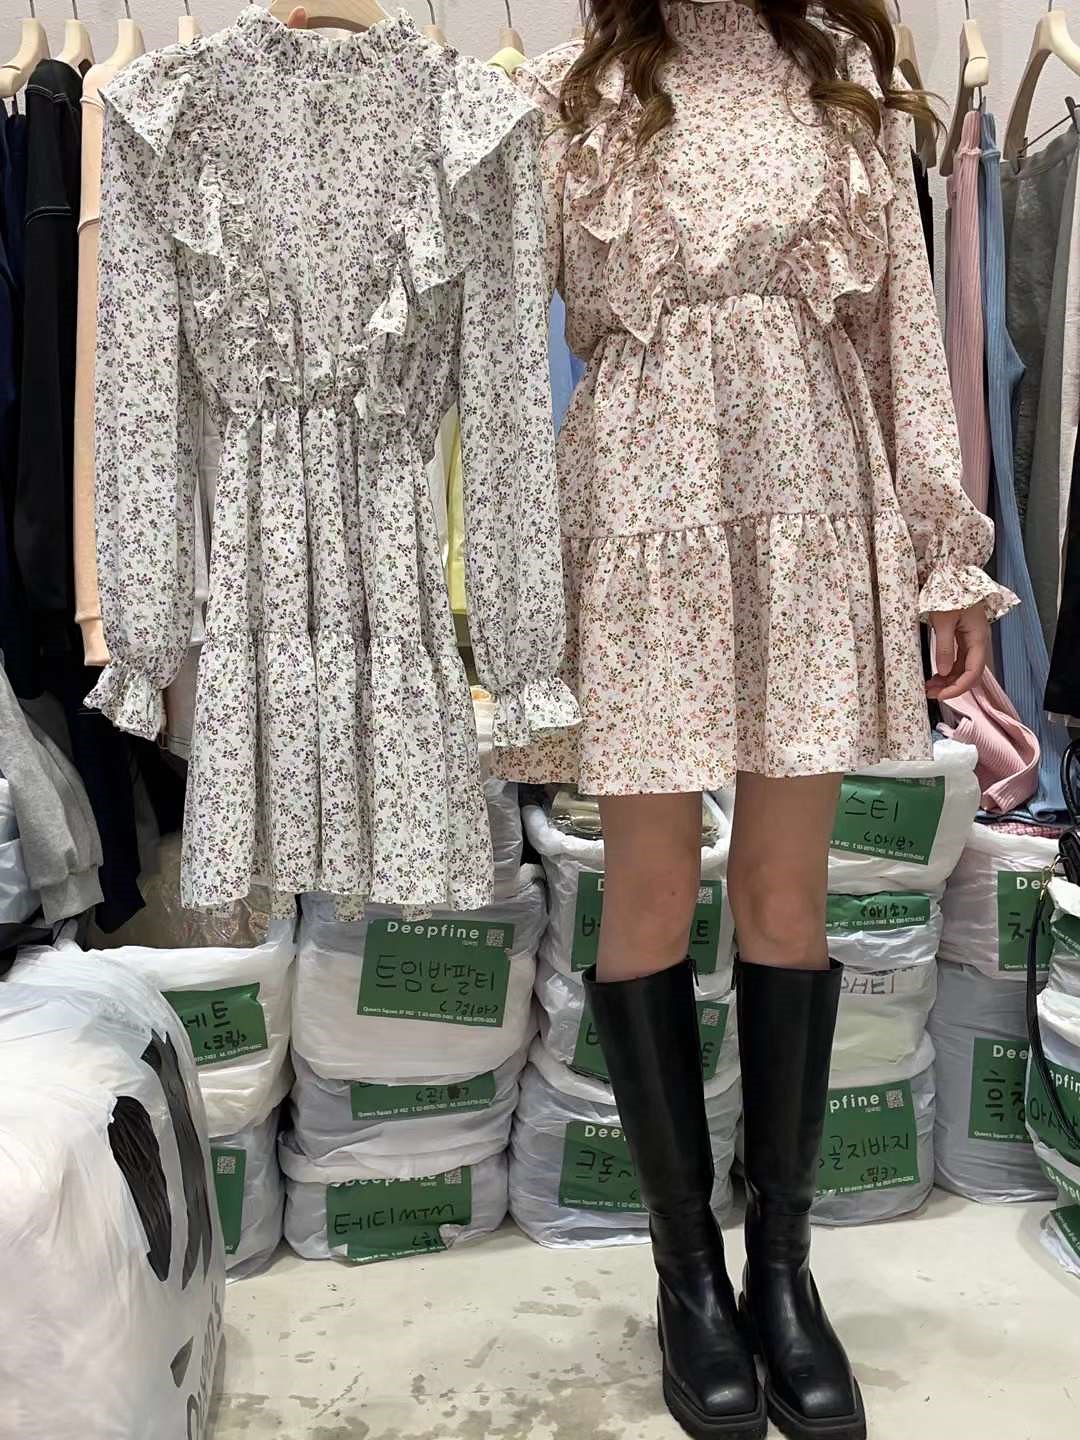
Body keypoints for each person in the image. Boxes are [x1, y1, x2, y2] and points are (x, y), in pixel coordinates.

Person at [497, 4, 1018, 1440]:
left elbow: (905, 339)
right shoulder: (574, 98)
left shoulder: (840, 83)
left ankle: (782, 1271)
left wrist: (943, 547)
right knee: (649, 888)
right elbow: (499, 342)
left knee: (788, 895)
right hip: (641, 499)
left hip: (810, 497)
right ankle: (687, 1281)